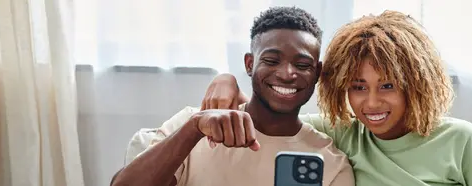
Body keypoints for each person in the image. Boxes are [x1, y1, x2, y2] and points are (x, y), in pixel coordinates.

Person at [201, 10, 472, 186]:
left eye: (387, 86)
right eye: (358, 87)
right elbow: (272, 115)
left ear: (414, 84)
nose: (371, 104)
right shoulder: (344, 133)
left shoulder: (460, 140)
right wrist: (226, 81)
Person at [110, 6, 354, 186]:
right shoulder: (194, 124)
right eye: (271, 60)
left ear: (317, 73)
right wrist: (194, 128)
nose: (287, 74)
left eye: (302, 65)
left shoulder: (331, 163)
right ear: (250, 64)